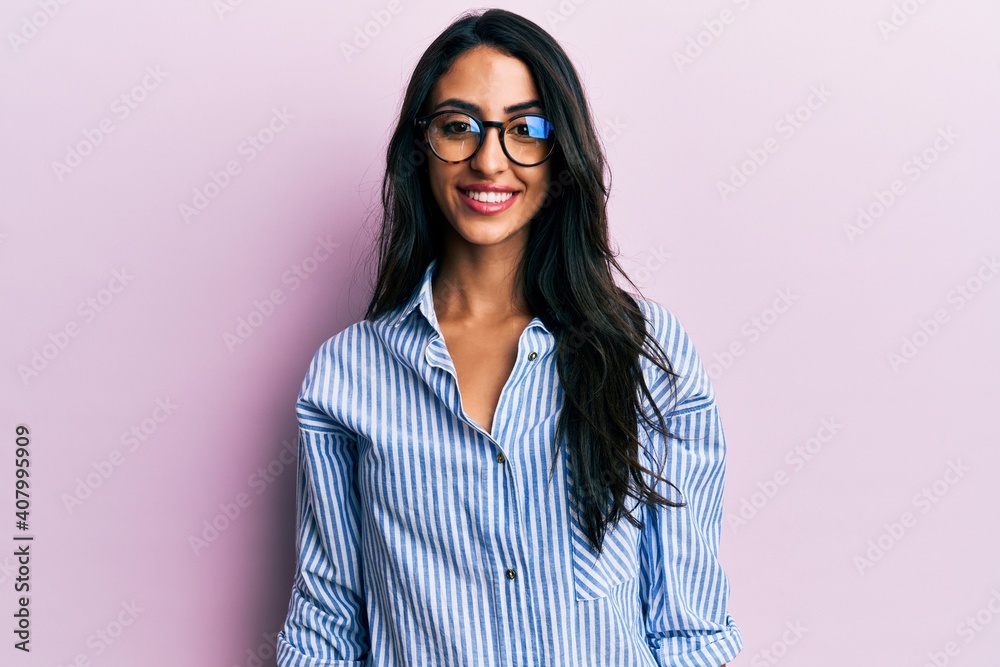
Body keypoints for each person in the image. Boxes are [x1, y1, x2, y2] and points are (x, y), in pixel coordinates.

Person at [276, 8, 742, 667]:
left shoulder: (645, 352)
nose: (488, 160)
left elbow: (691, 634)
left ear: (561, 154)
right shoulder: (347, 374)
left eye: (525, 129)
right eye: (458, 126)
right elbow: (327, 630)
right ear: (421, 146)